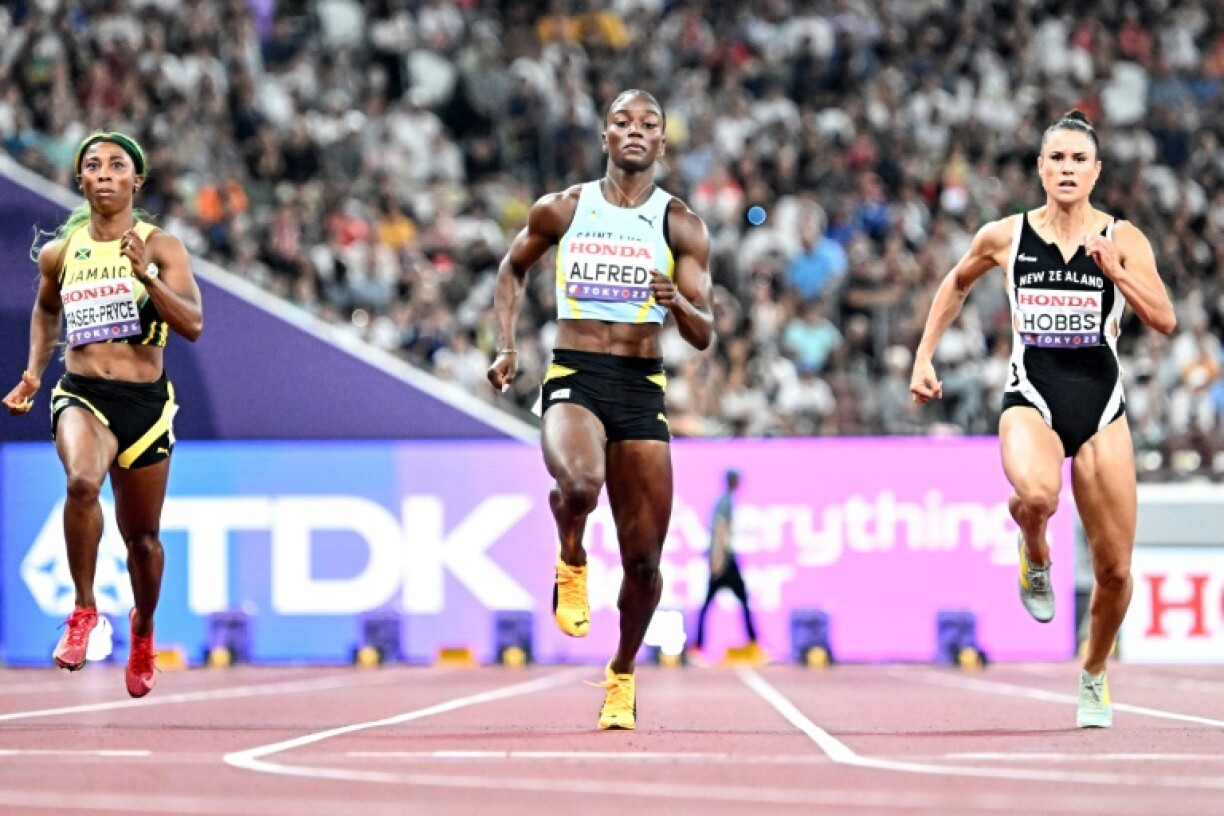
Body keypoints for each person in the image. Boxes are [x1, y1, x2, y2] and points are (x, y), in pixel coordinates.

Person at [909, 110, 1176, 728]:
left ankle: (1094, 673)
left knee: (1114, 571)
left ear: (1096, 171)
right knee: (1035, 493)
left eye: (1079, 160)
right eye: (1056, 158)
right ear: (1040, 168)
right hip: (1033, 393)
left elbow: (1164, 318)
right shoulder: (1005, 236)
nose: (1067, 169)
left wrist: (1116, 273)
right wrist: (924, 355)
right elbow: (956, 282)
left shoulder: (1123, 236)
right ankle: (1034, 550)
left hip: (1102, 406)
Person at [487, 89, 714, 730]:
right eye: (623, 122)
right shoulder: (563, 208)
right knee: (580, 484)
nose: (635, 131)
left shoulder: (682, 225)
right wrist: (507, 346)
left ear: (662, 143)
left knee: (644, 563)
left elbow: (704, 332)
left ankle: (621, 672)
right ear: (604, 136)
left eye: (649, 124)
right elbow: (512, 269)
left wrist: (678, 304)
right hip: (576, 374)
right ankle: (572, 553)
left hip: (641, 386)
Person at [2, 131, 204, 698]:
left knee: (142, 540)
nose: (106, 172)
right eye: (94, 165)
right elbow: (45, 312)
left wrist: (148, 278)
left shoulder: (161, 245)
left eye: (118, 164)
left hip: (145, 405)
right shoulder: (60, 253)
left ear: (136, 181)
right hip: (82, 393)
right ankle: (84, 611)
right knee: (82, 482)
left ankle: (142, 629)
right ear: (83, 182)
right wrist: (35, 374)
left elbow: (192, 323)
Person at [691, 469, 761, 660]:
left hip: (723, 558)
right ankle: (753, 642)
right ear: (734, 482)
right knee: (738, 601)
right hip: (725, 560)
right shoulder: (726, 502)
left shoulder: (724, 501)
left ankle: (698, 644)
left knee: (713, 603)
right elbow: (720, 530)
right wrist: (717, 560)